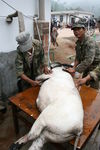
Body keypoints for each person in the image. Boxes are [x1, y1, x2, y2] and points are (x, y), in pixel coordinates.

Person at [65, 22, 100, 89]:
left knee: (92, 89)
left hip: (95, 67)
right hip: (87, 66)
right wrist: (74, 67)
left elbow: (89, 60)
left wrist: (75, 70)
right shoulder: (78, 42)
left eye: (79, 29)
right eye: (74, 30)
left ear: (84, 30)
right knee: (84, 85)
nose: (76, 32)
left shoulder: (90, 42)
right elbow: (77, 57)